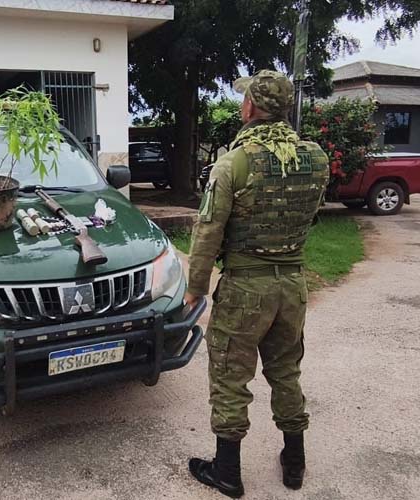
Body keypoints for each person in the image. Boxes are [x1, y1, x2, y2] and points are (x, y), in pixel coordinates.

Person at [184, 70, 329, 498]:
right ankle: (295, 463)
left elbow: (208, 231)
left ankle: (227, 473)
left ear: (250, 107)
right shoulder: (315, 157)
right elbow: (310, 216)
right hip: (292, 284)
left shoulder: (234, 161)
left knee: (231, 376)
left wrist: (195, 287)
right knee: (286, 371)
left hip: (246, 286)